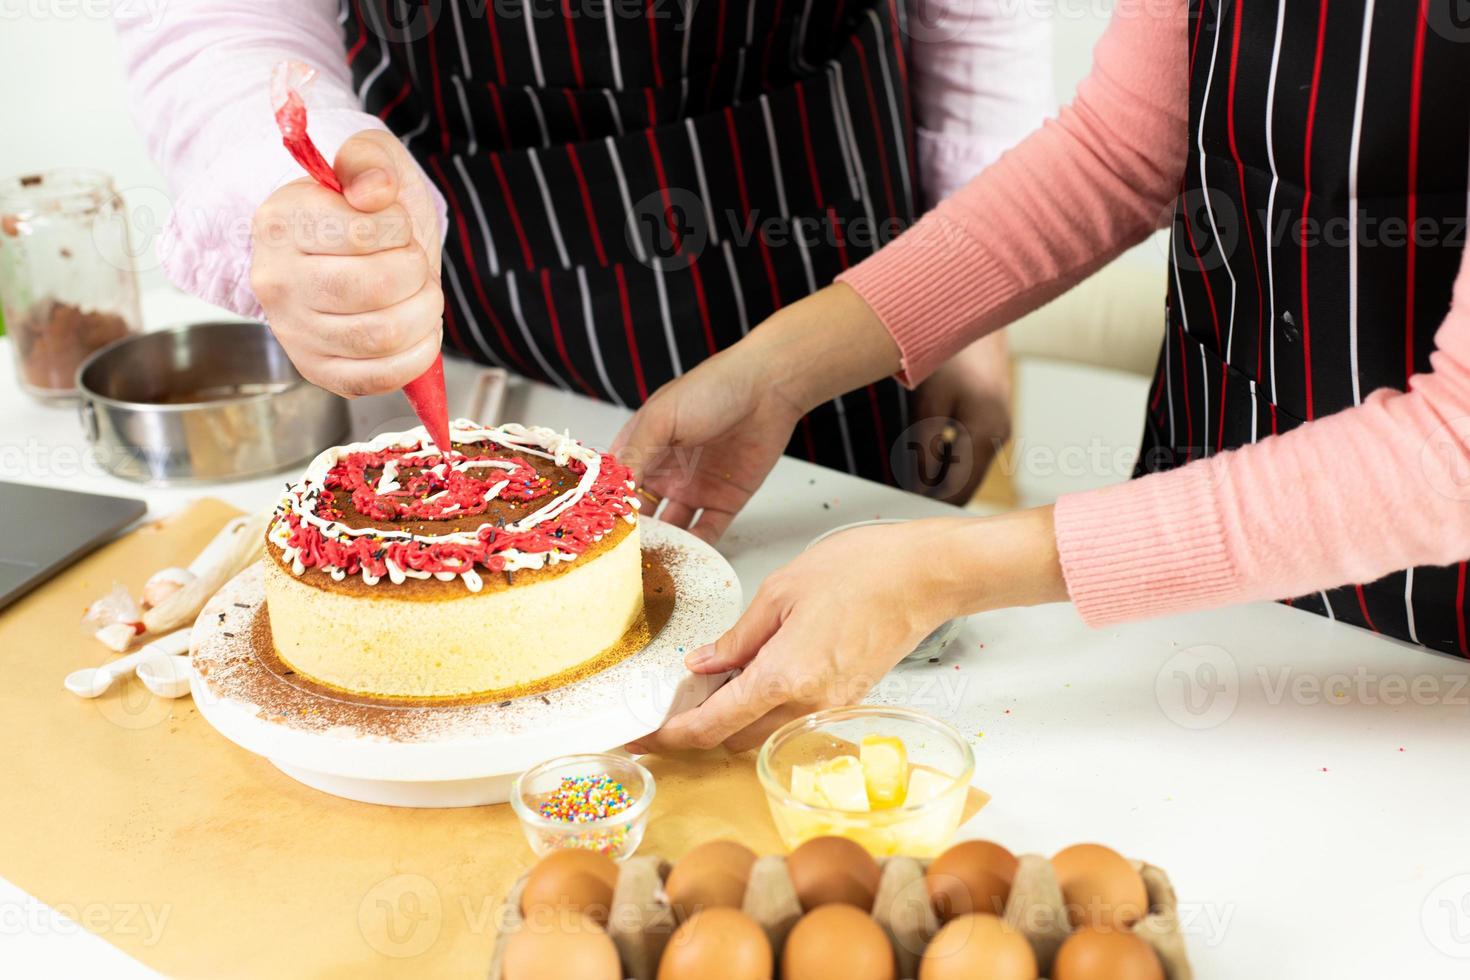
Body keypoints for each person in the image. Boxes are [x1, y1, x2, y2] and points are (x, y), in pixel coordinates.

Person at [616, 0, 1470, 754]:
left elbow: (1453, 456)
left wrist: (942, 571)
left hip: (1437, 665)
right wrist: (779, 372)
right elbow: (1117, 153)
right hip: (1191, 587)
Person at [113, 0, 1051, 502]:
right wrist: (290, 182)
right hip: (502, 245)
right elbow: (217, 20)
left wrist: (967, 294)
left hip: (824, 213)